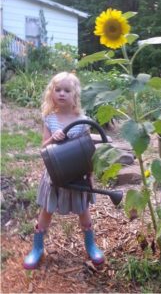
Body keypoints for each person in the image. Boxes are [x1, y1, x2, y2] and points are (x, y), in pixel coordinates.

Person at [23, 72, 104, 270]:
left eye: (67, 90)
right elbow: (43, 148)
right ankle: (37, 248)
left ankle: (90, 245)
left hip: (76, 174)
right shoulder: (50, 119)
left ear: (75, 95)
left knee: (83, 211)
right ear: (52, 93)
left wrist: (90, 174)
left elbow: (87, 150)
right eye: (57, 90)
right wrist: (53, 138)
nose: (61, 94)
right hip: (55, 175)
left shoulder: (82, 120)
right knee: (47, 210)